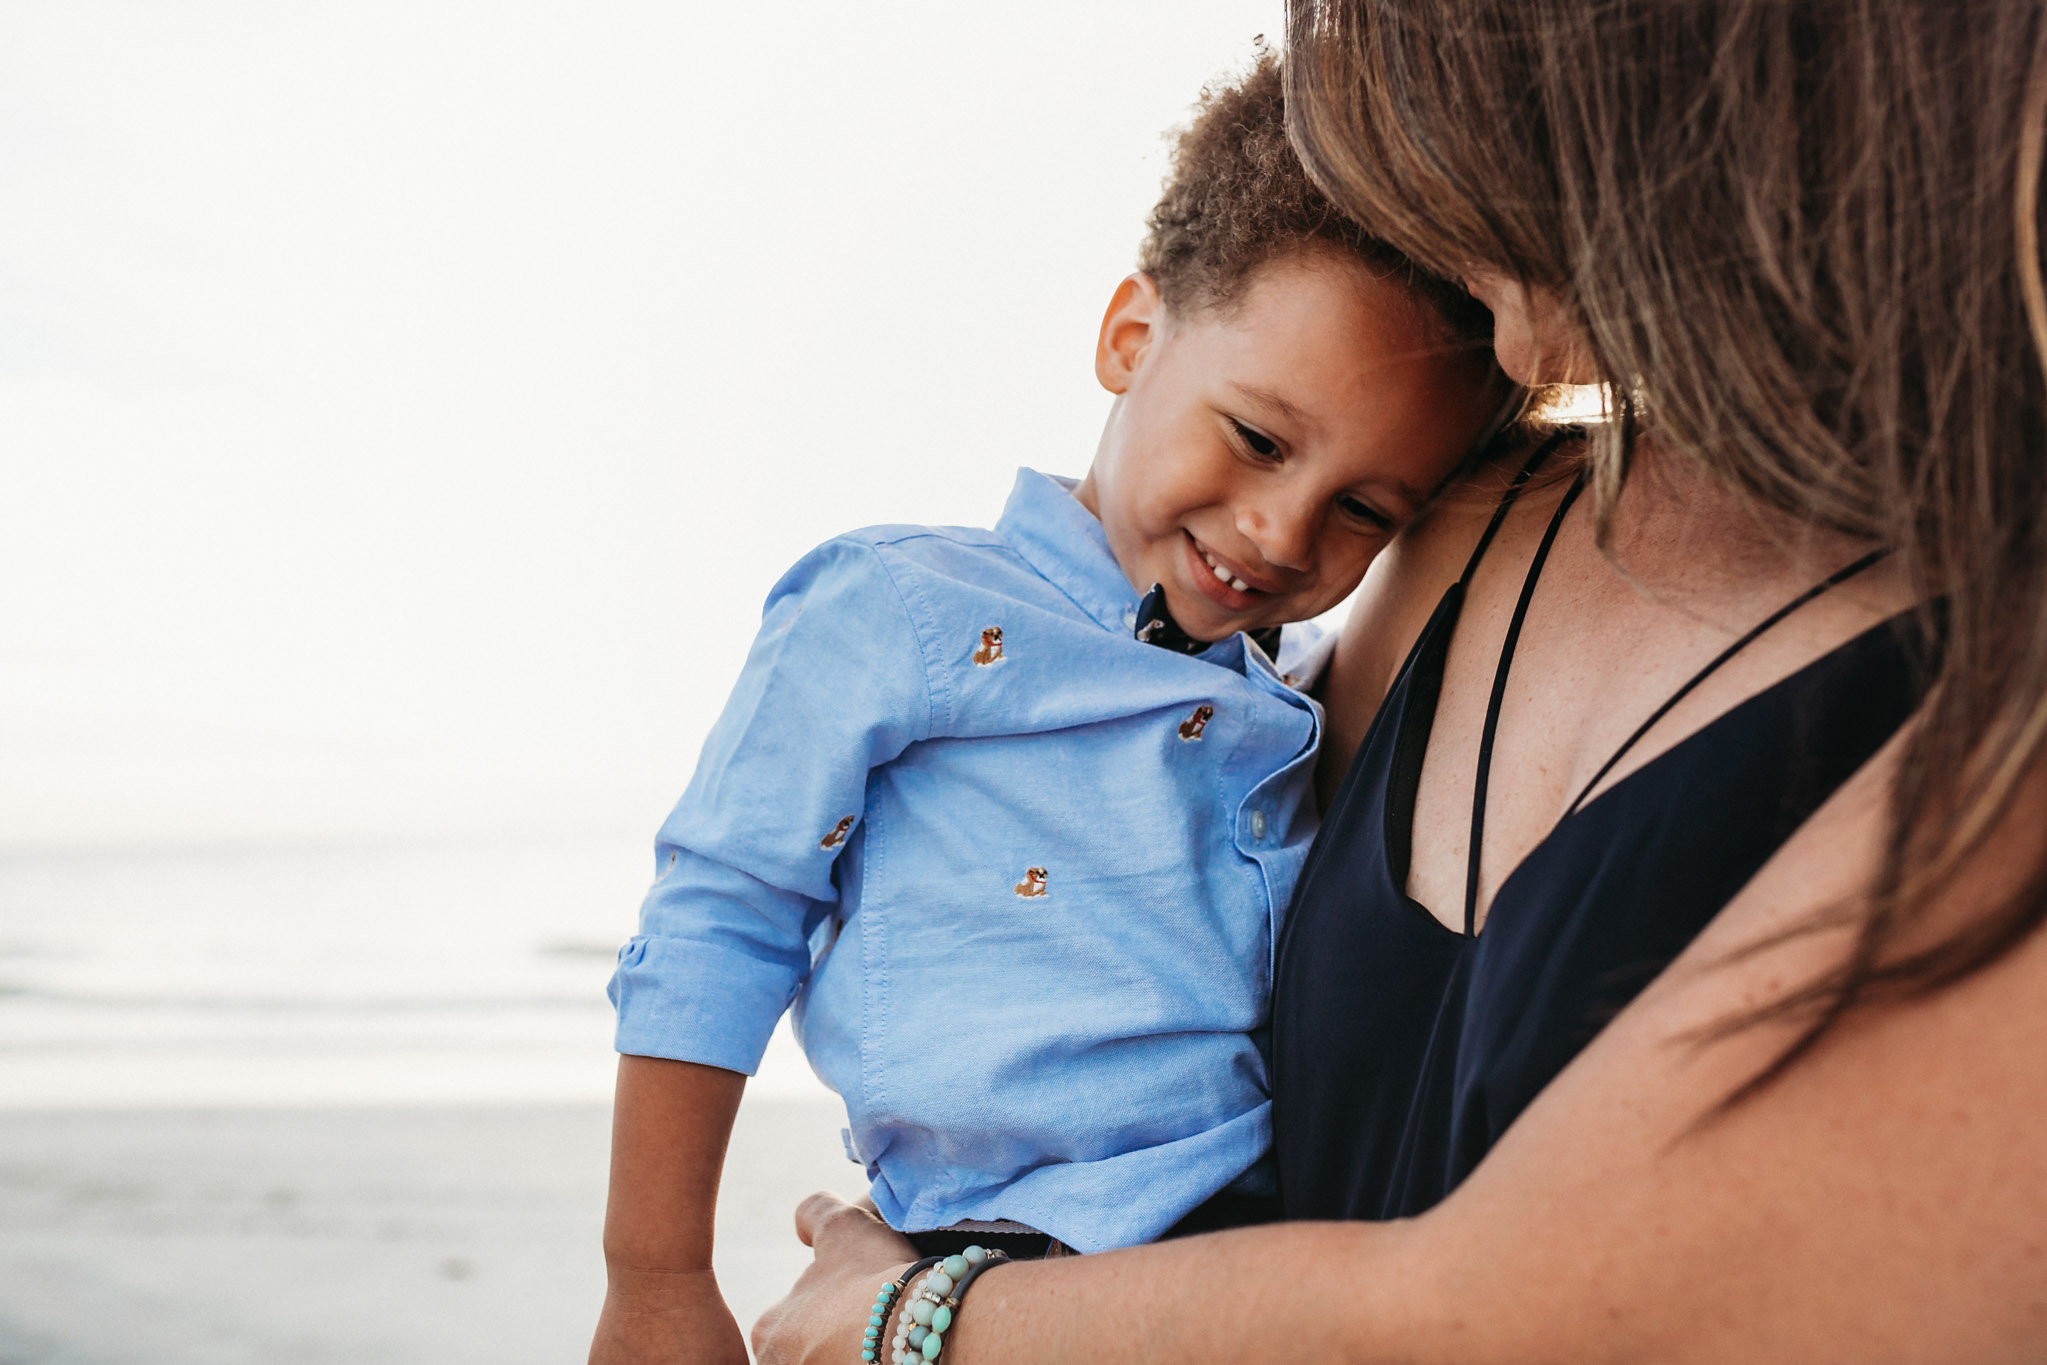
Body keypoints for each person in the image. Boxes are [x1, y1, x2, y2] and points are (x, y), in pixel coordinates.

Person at [751, 2, 2047, 1360]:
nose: (1509, 344)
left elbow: (1516, 1313)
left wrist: (920, 1321)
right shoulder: (1470, 522)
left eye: (1498, 192)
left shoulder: (1999, 682)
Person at [589, 55, 1518, 1365]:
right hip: (994, 1266)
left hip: (1261, 1248)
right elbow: (721, 912)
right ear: (1130, 339)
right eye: (1256, 436)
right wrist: (656, 1275)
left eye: (1368, 509)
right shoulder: (901, 608)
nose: (1281, 528)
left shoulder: (1284, 700)